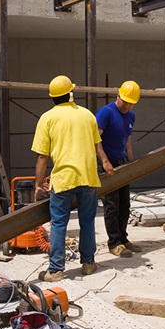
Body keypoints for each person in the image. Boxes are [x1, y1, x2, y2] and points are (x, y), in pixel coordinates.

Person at [32, 75, 114, 282]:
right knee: (87, 222)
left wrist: (38, 185)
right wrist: (105, 161)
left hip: (64, 178)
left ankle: (56, 269)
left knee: (59, 223)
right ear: (70, 94)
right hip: (88, 177)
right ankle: (88, 263)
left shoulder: (47, 118)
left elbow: (42, 156)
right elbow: (97, 145)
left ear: (52, 98)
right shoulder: (87, 115)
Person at [96, 80, 142, 258]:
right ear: (118, 96)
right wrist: (105, 162)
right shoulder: (105, 113)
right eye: (125, 101)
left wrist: (131, 162)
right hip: (107, 163)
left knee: (125, 204)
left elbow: (127, 140)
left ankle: (123, 239)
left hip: (122, 162)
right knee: (112, 204)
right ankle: (114, 242)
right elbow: (95, 140)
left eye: (131, 103)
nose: (127, 106)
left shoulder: (131, 115)